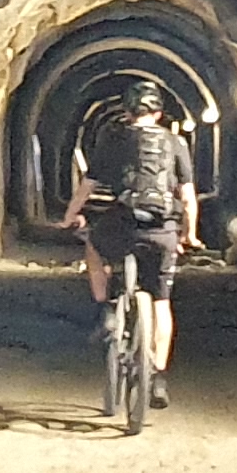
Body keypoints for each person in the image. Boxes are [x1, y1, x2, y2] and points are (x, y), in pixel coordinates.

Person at [61, 83, 198, 408]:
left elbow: (88, 185)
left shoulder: (114, 138)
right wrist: (188, 234)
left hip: (122, 224)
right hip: (162, 230)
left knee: (94, 244)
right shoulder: (176, 142)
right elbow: (188, 197)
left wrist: (70, 215)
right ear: (160, 113)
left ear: (126, 111)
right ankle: (158, 376)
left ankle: (106, 309)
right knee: (161, 303)